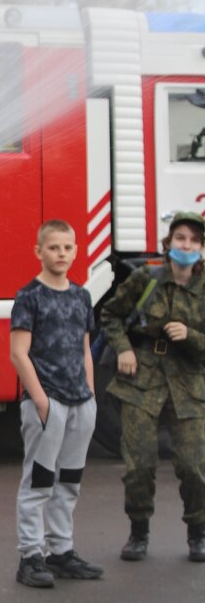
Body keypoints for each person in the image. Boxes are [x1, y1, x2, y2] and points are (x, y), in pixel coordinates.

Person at [99, 210, 205, 563]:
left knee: (193, 465)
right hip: (141, 379)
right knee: (139, 465)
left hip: (188, 383)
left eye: (193, 240)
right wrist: (124, 348)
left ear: (201, 248)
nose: (186, 245)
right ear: (169, 243)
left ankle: (197, 534)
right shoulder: (146, 278)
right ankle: (139, 532)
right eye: (180, 238)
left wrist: (190, 336)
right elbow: (110, 315)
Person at [10, 219, 103, 588]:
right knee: (39, 480)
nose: (61, 254)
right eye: (53, 247)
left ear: (76, 251)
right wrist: (41, 401)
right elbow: (19, 353)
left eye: (67, 247)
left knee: (69, 480)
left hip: (81, 401)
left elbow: (84, 349)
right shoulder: (29, 297)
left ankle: (61, 551)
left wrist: (91, 394)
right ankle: (31, 556)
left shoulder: (81, 296)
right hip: (48, 403)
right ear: (39, 251)